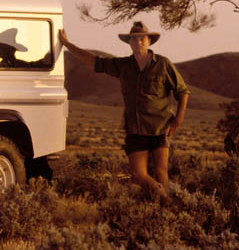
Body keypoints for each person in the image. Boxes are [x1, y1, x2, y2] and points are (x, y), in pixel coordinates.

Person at [59, 21, 189, 199]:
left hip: (160, 127)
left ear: (149, 41)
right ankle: (165, 200)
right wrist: (67, 44)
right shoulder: (123, 66)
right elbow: (95, 61)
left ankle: (161, 210)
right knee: (138, 175)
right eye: (134, 40)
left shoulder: (163, 65)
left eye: (142, 39)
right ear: (129, 43)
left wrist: (178, 119)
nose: (138, 42)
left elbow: (182, 91)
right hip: (135, 129)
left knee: (161, 172)